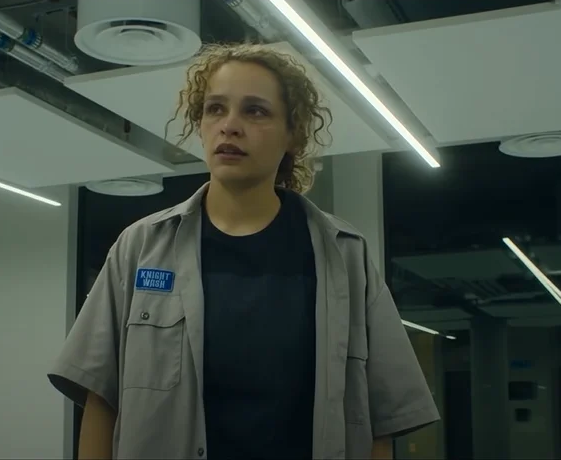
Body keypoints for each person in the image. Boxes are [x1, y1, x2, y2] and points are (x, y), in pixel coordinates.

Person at [48, 43, 439, 460]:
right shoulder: (141, 248)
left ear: (293, 134)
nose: (229, 126)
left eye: (255, 111)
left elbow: (381, 421)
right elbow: (101, 400)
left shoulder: (345, 256)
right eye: (215, 109)